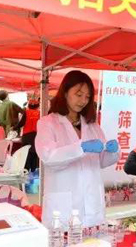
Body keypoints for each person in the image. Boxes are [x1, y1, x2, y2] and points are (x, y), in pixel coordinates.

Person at [35, 70, 119, 228]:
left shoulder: (92, 125)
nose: (83, 101)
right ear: (65, 92)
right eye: (79, 94)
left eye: (87, 97)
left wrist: (112, 152)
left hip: (92, 202)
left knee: (93, 246)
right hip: (64, 205)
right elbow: (49, 157)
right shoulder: (48, 123)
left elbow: (101, 161)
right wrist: (80, 148)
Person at [21, 98, 41, 171]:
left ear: (29, 105)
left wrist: (14, 127)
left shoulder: (26, 112)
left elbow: (22, 123)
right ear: (37, 106)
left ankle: (26, 169)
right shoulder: (40, 113)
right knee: (35, 152)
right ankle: (34, 169)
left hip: (26, 135)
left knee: (26, 152)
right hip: (36, 135)